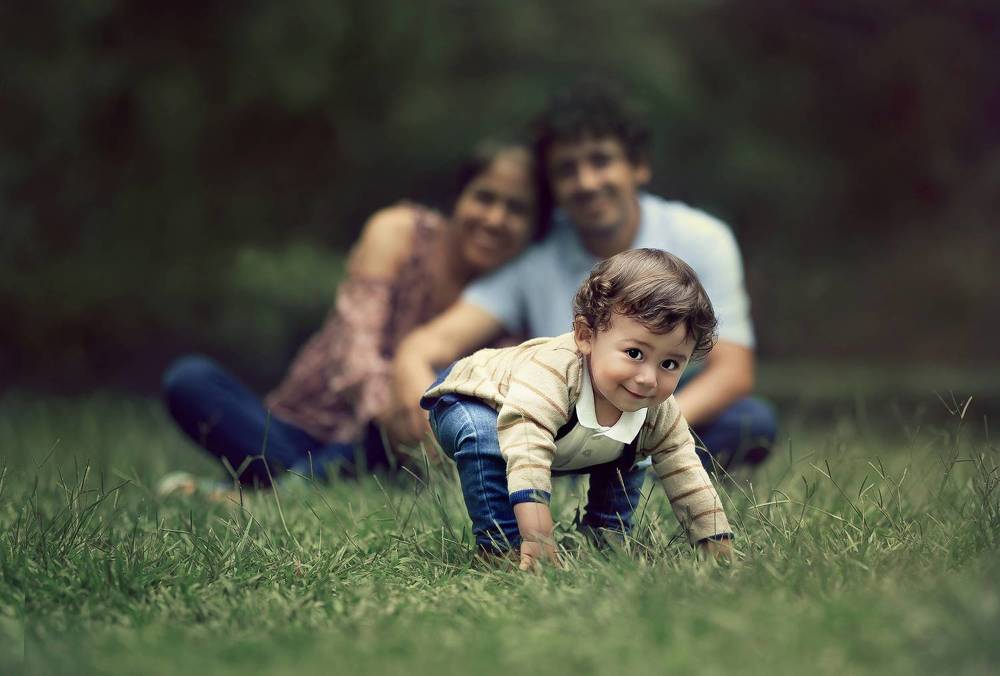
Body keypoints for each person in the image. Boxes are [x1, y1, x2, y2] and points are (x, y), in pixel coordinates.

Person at [392, 83, 777, 470]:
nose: (587, 182)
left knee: (750, 422)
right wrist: (412, 366)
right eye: (567, 170)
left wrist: (640, 437)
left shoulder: (701, 237)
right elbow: (435, 342)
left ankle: (637, 470)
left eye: (601, 160)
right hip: (564, 421)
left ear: (638, 167)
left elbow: (732, 371)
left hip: (663, 406)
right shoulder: (536, 256)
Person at [160, 142, 541, 492]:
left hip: (392, 453)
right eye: (484, 198)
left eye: (516, 209)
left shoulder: (515, 302)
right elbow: (354, 347)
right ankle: (301, 484)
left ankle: (268, 489)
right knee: (189, 379)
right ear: (458, 197)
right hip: (304, 426)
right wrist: (396, 410)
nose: (495, 219)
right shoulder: (401, 232)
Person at [421, 249, 733, 569]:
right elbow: (526, 445)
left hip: (551, 434)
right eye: (634, 353)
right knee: (485, 438)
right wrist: (537, 536)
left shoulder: (658, 409)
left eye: (669, 363)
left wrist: (718, 547)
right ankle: (500, 547)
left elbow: (686, 471)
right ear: (585, 336)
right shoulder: (556, 374)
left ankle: (607, 537)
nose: (648, 379)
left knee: (634, 448)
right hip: (472, 398)